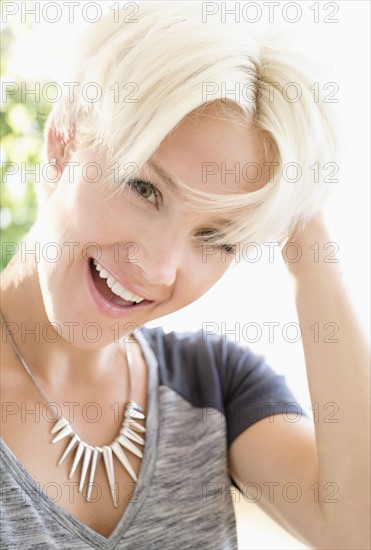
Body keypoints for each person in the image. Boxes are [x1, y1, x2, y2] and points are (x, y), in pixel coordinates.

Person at [0, 2, 369, 549]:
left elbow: (355, 528)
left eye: (216, 237)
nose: (158, 266)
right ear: (62, 144)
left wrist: (304, 220)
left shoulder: (215, 386)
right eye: (144, 188)